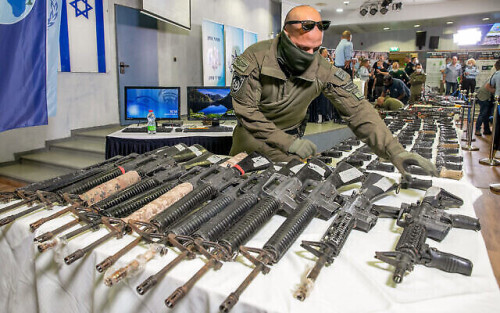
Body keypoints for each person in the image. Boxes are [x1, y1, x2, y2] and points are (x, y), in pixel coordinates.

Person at [229, 5, 437, 178]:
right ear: (285, 36)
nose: (310, 56)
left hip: (293, 141)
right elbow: (247, 112)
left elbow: (358, 110)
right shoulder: (255, 58)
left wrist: (395, 151)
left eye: (315, 49)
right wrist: (288, 143)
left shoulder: (323, 69)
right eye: (303, 49)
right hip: (252, 140)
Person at [476, 59, 500, 136]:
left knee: (487, 114)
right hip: (484, 96)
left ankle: (486, 130)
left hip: (489, 96)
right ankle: (477, 129)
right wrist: (496, 92)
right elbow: (487, 86)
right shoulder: (496, 74)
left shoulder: (495, 74)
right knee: (483, 113)